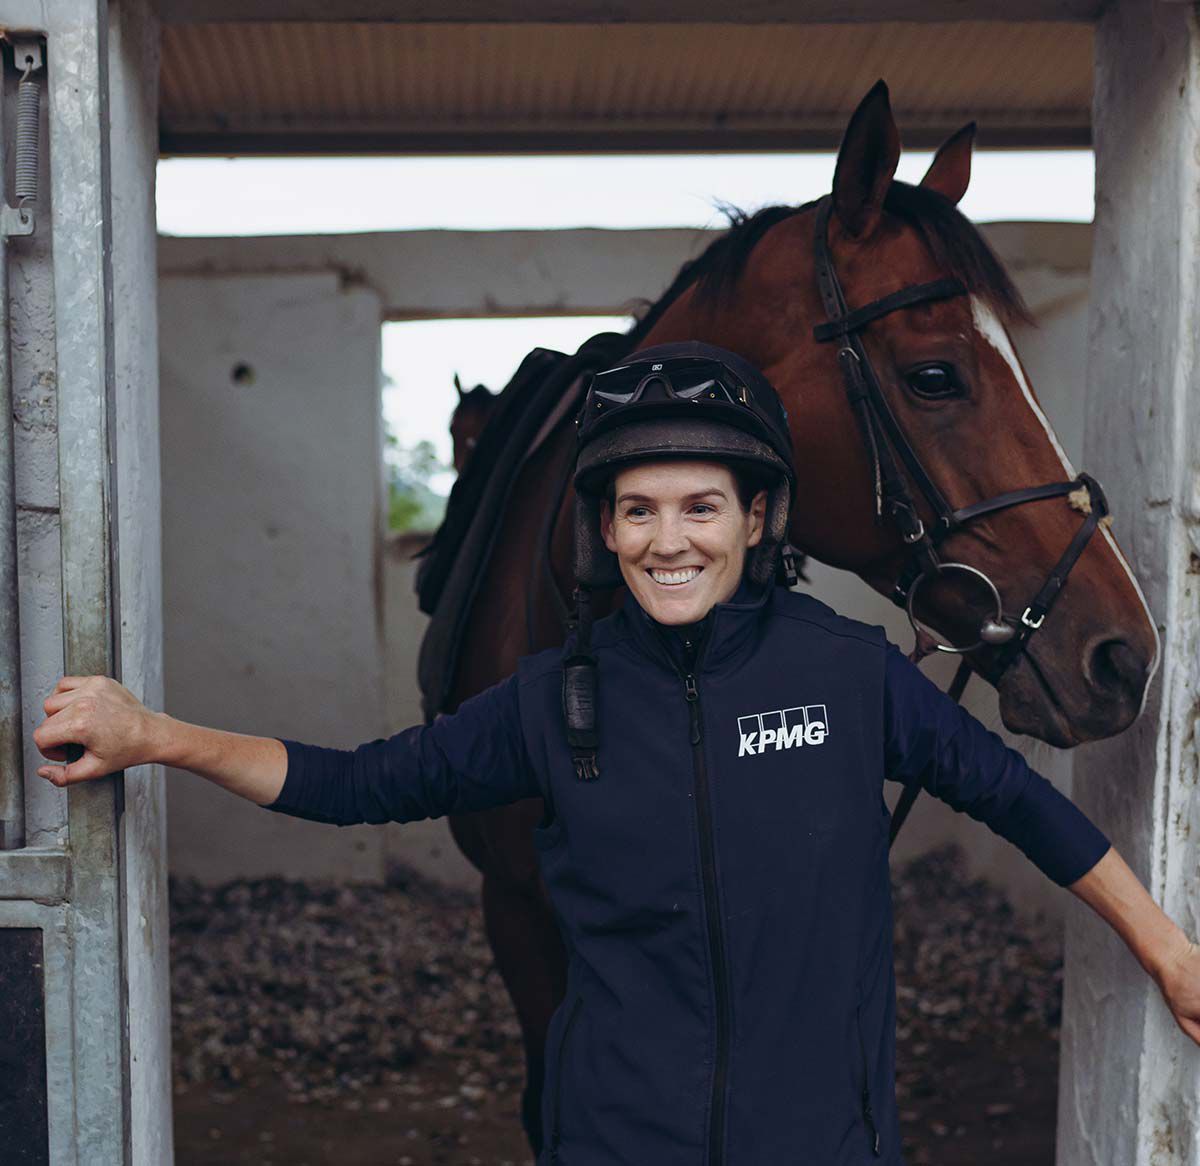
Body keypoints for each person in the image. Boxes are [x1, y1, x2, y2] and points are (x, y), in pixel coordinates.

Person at [33, 341, 1200, 1165]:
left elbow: (1019, 803)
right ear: (606, 530)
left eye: (701, 505)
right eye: (637, 509)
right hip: (612, 1136)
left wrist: (1166, 948)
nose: (668, 538)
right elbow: (358, 782)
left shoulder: (850, 673)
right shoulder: (554, 696)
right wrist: (158, 735)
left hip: (826, 1142)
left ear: (758, 518)